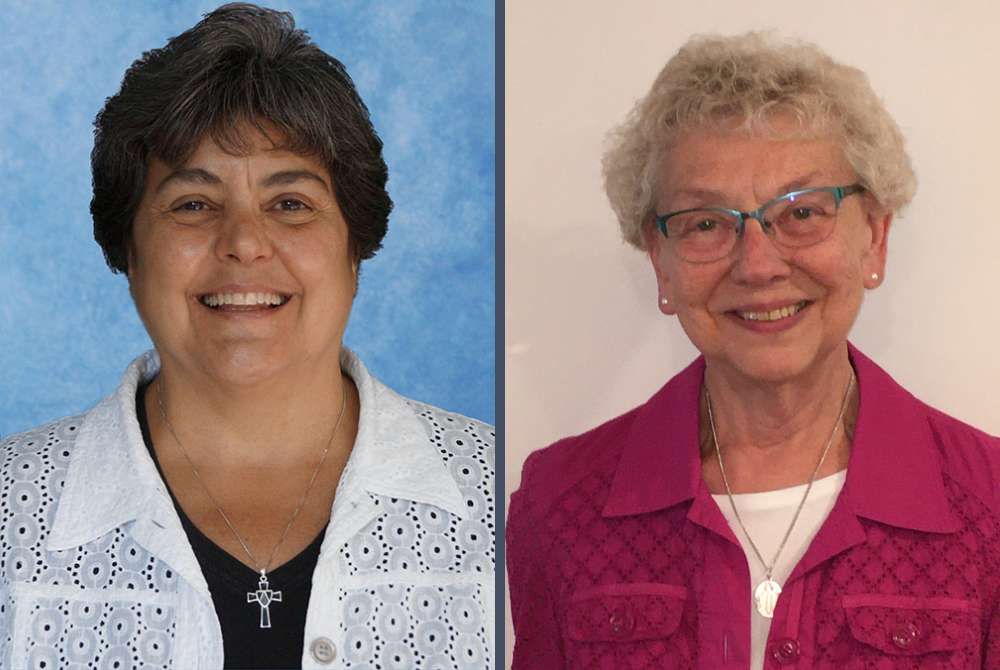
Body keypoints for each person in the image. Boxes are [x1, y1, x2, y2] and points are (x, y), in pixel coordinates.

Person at [0, 4, 495, 669]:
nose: (244, 244)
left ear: (355, 247)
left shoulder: (500, 498)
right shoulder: (10, 510)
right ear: (129, 247)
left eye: (290, 203)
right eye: (193, 204)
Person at [507, 31, 1000, 670]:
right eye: (706, 223)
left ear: (874, 239)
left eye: (800, 213)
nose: (759, 265)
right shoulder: (558, 505)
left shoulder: (989, 505)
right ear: (660, 263)